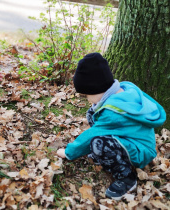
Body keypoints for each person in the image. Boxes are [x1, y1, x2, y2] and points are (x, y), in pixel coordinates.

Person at [57, 53, 166, 200]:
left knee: (98, 142)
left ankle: (127, 179)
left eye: (87, 95)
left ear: (96, 89)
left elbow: (93, 134)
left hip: (141, 151)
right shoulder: (124, 90)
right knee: (93, 112)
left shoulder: (113, 113)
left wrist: (69, 152)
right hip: (131, 139)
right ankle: (108, 154)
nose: (88, 99)